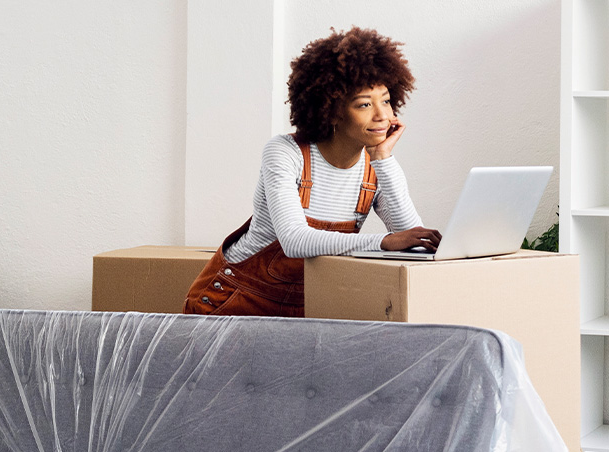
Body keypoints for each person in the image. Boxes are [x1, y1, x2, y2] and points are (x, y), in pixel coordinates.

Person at [183, 27, 441, 317]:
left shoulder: (375, 168)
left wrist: (383, 157)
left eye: (386, 100)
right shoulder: (285, 152)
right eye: (365, 104)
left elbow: (415, 244)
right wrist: (381, 243)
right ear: (331, 110)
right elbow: (294, 241)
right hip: (234, 302)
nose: (382, 115)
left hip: (305, 308)